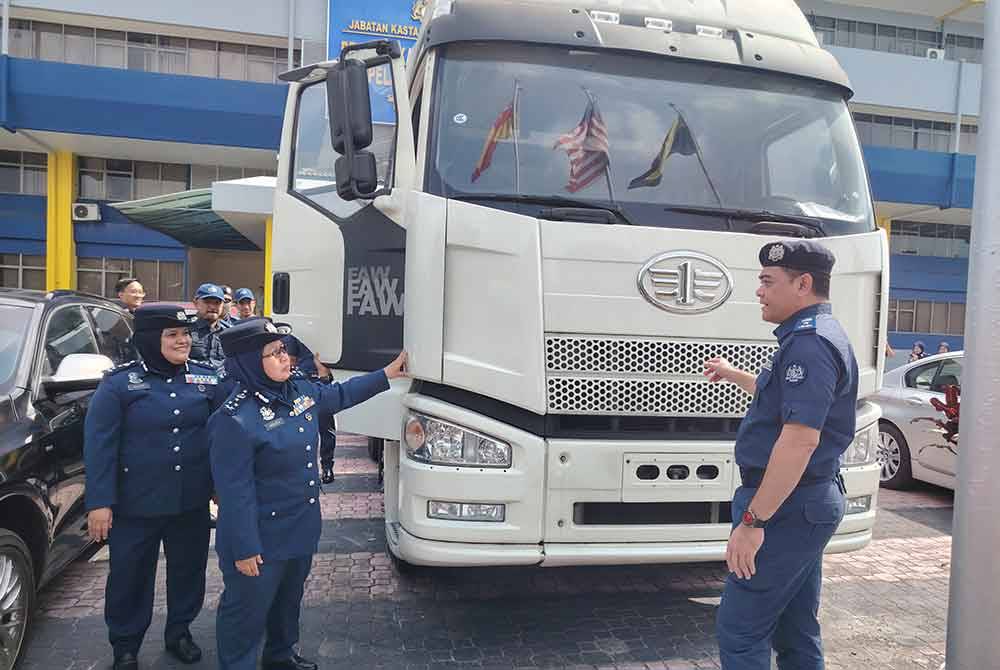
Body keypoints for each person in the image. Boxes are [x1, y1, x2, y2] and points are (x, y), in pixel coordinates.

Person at [209, 320, 407, 670]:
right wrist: (244, 547)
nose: (287, 358)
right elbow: (234, 492)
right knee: (246, 613)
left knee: (288, 602)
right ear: (251, 362)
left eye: (285, 349)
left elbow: (341, 395)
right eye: (275, 353)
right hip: (260, 539)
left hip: (299, 528)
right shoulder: (235, 418)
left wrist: (386, 373)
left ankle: (280, 657)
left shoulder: (297, 391)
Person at [703, 240, 857, 669]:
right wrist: (736, 375)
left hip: (786, 508)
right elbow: (786, 401)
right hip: (804, 503)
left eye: (768, 281)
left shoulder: (809, 345)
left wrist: (754, 521)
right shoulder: (817, 335)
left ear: (803, 284)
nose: (759, 291)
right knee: (795, 628)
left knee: (741, 628)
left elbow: (800, 440)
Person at [84, 305, 222, 670]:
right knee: (129, 576)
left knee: (188, 572)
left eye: (186, 333)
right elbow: (100, 446)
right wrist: (100, 502)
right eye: (172, 334)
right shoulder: (118, 384)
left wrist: (220, 485)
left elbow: (225, 432)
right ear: (149, 339)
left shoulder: (206, 379)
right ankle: (125, 645)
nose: (184, 340)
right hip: (135, 504)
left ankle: (179, 632)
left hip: (189, 501)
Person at [189, 283, 228, 369]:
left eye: (217, 303)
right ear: (196, 303)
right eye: (207, 302)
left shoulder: (229, 332)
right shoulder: (186, 330)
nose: (213, 307)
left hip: (222, 380)